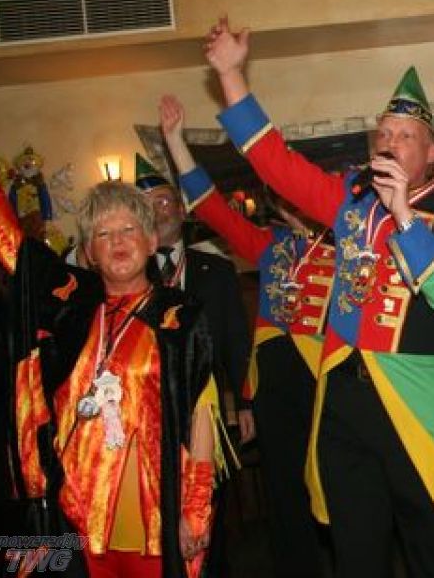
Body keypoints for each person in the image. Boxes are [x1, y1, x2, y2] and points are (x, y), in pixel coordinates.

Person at [203, 17, 434, 577]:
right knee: (356, 554)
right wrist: (232, 77)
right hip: (342, 400)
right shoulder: (349, 200)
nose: (390, 143)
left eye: (405, 136)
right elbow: (277, 163)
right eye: (384, 134)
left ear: (432, 154)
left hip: (414, 403)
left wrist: (404, 214)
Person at [0, 177, 220, 578]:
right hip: (75, 510)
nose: (118, 241)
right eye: (103, 233)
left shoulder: (180, 316)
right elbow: (13, 247)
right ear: (89, 253)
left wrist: (196, 507)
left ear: (151, 240)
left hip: (152, 513)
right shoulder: (70, 307)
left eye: (129, 228)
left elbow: (201, 415)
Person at [158, 95, 329, 578]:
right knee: (285, 493)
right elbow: (211, 207)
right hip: (274, 384)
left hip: (328, 380)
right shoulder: (268, 244)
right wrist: (175, 142)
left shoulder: (346, 244)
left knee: (339, 487)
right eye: (284, 195)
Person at [134, 153, 251, 576]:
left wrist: (245, 402)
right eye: (148, 206)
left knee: (211, 504)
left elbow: (236, 340)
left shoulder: (216, 269)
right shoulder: (133, 275)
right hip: (149, 414)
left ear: (182, 211)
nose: (158, 211)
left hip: (208, 408)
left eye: (165, 201)